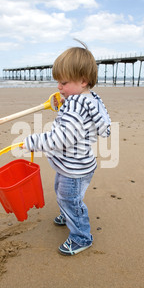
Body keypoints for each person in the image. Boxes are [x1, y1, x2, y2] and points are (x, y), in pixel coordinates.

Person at [23, 40, 111, 256]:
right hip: (80, 164)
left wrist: (33, 142)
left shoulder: (75, 105)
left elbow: (62, 138)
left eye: (63, 83)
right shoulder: (91, 100)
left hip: (74, 167)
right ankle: (68, 213)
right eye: (58, 82)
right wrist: (63, 103)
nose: (58, 87)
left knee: (69, 198)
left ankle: (81, 236)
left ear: (83, 81)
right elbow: (81, 120)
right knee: (64, 195)